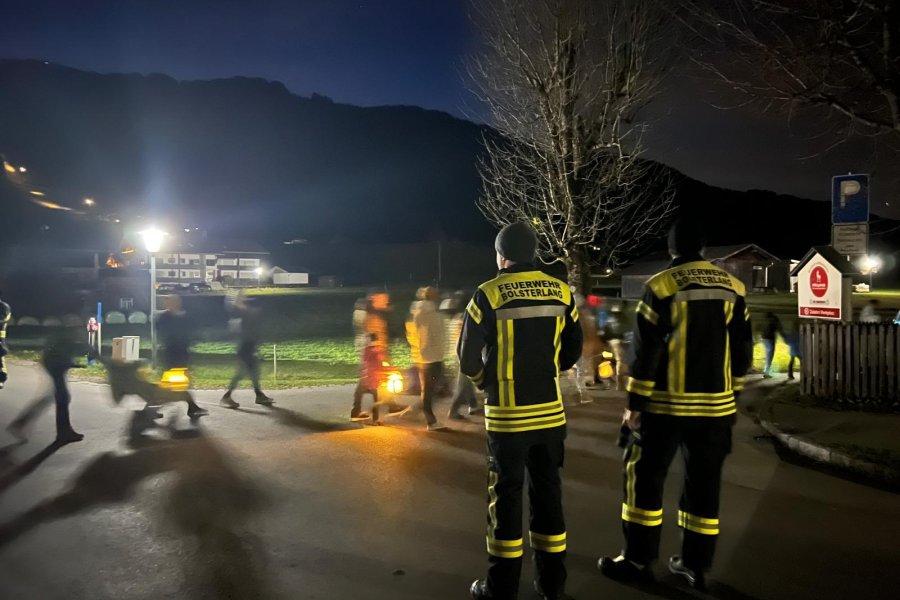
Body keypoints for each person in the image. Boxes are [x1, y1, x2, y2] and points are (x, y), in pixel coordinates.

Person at [598, 218, 753, 592]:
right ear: (702, 250)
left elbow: (645, 352)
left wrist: (634, 405)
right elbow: (743, 350)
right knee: (703, 486)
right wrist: (731, 395)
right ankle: (694, 565)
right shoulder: (733, 288)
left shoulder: (661, 286)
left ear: (671, 250)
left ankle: (637, 560)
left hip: (664, 410)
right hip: (715, 412)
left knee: (644, 484)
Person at [459, 222, 582, 600]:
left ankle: (501, 589)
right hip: (549, 414)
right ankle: (552, 587)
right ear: (533, 254)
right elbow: (572, 350)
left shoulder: (487, 294)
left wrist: (485, 383)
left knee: (506, 499)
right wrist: (547, 371)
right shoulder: (561, 292)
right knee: (549, 496)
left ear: (501, 256)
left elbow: (467, 358)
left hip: (508, 418)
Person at [7, 328, 85, 444]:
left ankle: (21, 423)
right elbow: (61, 351)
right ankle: (64, 433)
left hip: (54, 364)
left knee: (53, 397)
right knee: (62, 398)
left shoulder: (66, 330)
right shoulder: (69, 330)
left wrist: (73, 363)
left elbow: (61, 350)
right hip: (55, 365)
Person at [156, 295, 208, 419]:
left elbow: (191, 332)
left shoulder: (183, 317)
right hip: (172, 355)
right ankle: (192, 408)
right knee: (174, 385)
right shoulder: (165, 317)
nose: (171, 305)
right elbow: (166, 334)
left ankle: (192, 407)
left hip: (181, 354)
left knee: (173, 385)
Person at [220, 295, 274, 408]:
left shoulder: (245, 316)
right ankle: (227, 397)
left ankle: (259, 395)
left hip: (249, 347)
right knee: (242, 373)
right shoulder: (240, 317)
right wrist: (239, 295)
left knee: (254, 373)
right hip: (245, 349)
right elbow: (241, 311)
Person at [351, 291, 396, 421]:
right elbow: (373, 336)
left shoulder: (370, 314)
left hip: (372, 352)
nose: (385, 302)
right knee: (373, 381)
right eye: (382, 300)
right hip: (374, 353)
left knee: (370, 381)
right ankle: (377, 413)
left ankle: (361, 411)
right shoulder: (371, 316)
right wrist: (380, 353)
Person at [413, 286, 448, 431]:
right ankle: (429, 419)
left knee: (428, 389)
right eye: (435, 294)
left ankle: (425, 413)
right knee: (431, 389)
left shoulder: (418, 312)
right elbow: (438, 336)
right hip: (433, 357)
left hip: (423, 356)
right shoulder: (433, 315)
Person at [447, 291, 483, 420]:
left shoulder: (457, 316)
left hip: (457, 353)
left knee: (467, 382)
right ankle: (453, 410)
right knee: (463, 384)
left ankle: (473, 405)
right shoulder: (466, 316)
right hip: (464, 353)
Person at [761, 312, 783, 378]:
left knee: (767, 355)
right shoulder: (774, 321)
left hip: (764, 339)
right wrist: (784, 336)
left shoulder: (766, 321)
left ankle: (765, 371)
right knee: (769, 356)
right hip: (770, 339)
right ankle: (766, 373)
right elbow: (779, 329)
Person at [0, 289, 10, 389]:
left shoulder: (4, 306)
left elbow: (4, 319)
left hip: (0, 336)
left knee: (0, 357)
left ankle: (1, 379)